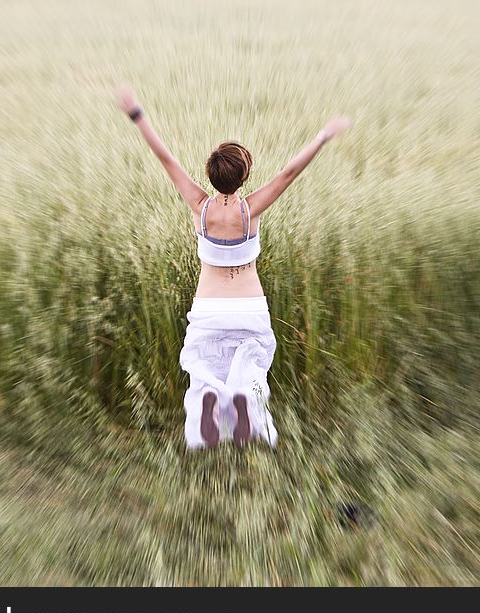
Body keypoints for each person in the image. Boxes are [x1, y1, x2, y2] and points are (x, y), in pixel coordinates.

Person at [115, 84, 350, 449]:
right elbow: (288, 173)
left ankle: (210, 402)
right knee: (252, 363)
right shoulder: (250, 209)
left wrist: (137, 115)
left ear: (210, 176)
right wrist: (322, 136)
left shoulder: (200, 206)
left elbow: (165, 158)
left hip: (209, 308)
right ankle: (243, 407)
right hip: (248, 306)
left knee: (206, 366)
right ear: (243, 178)